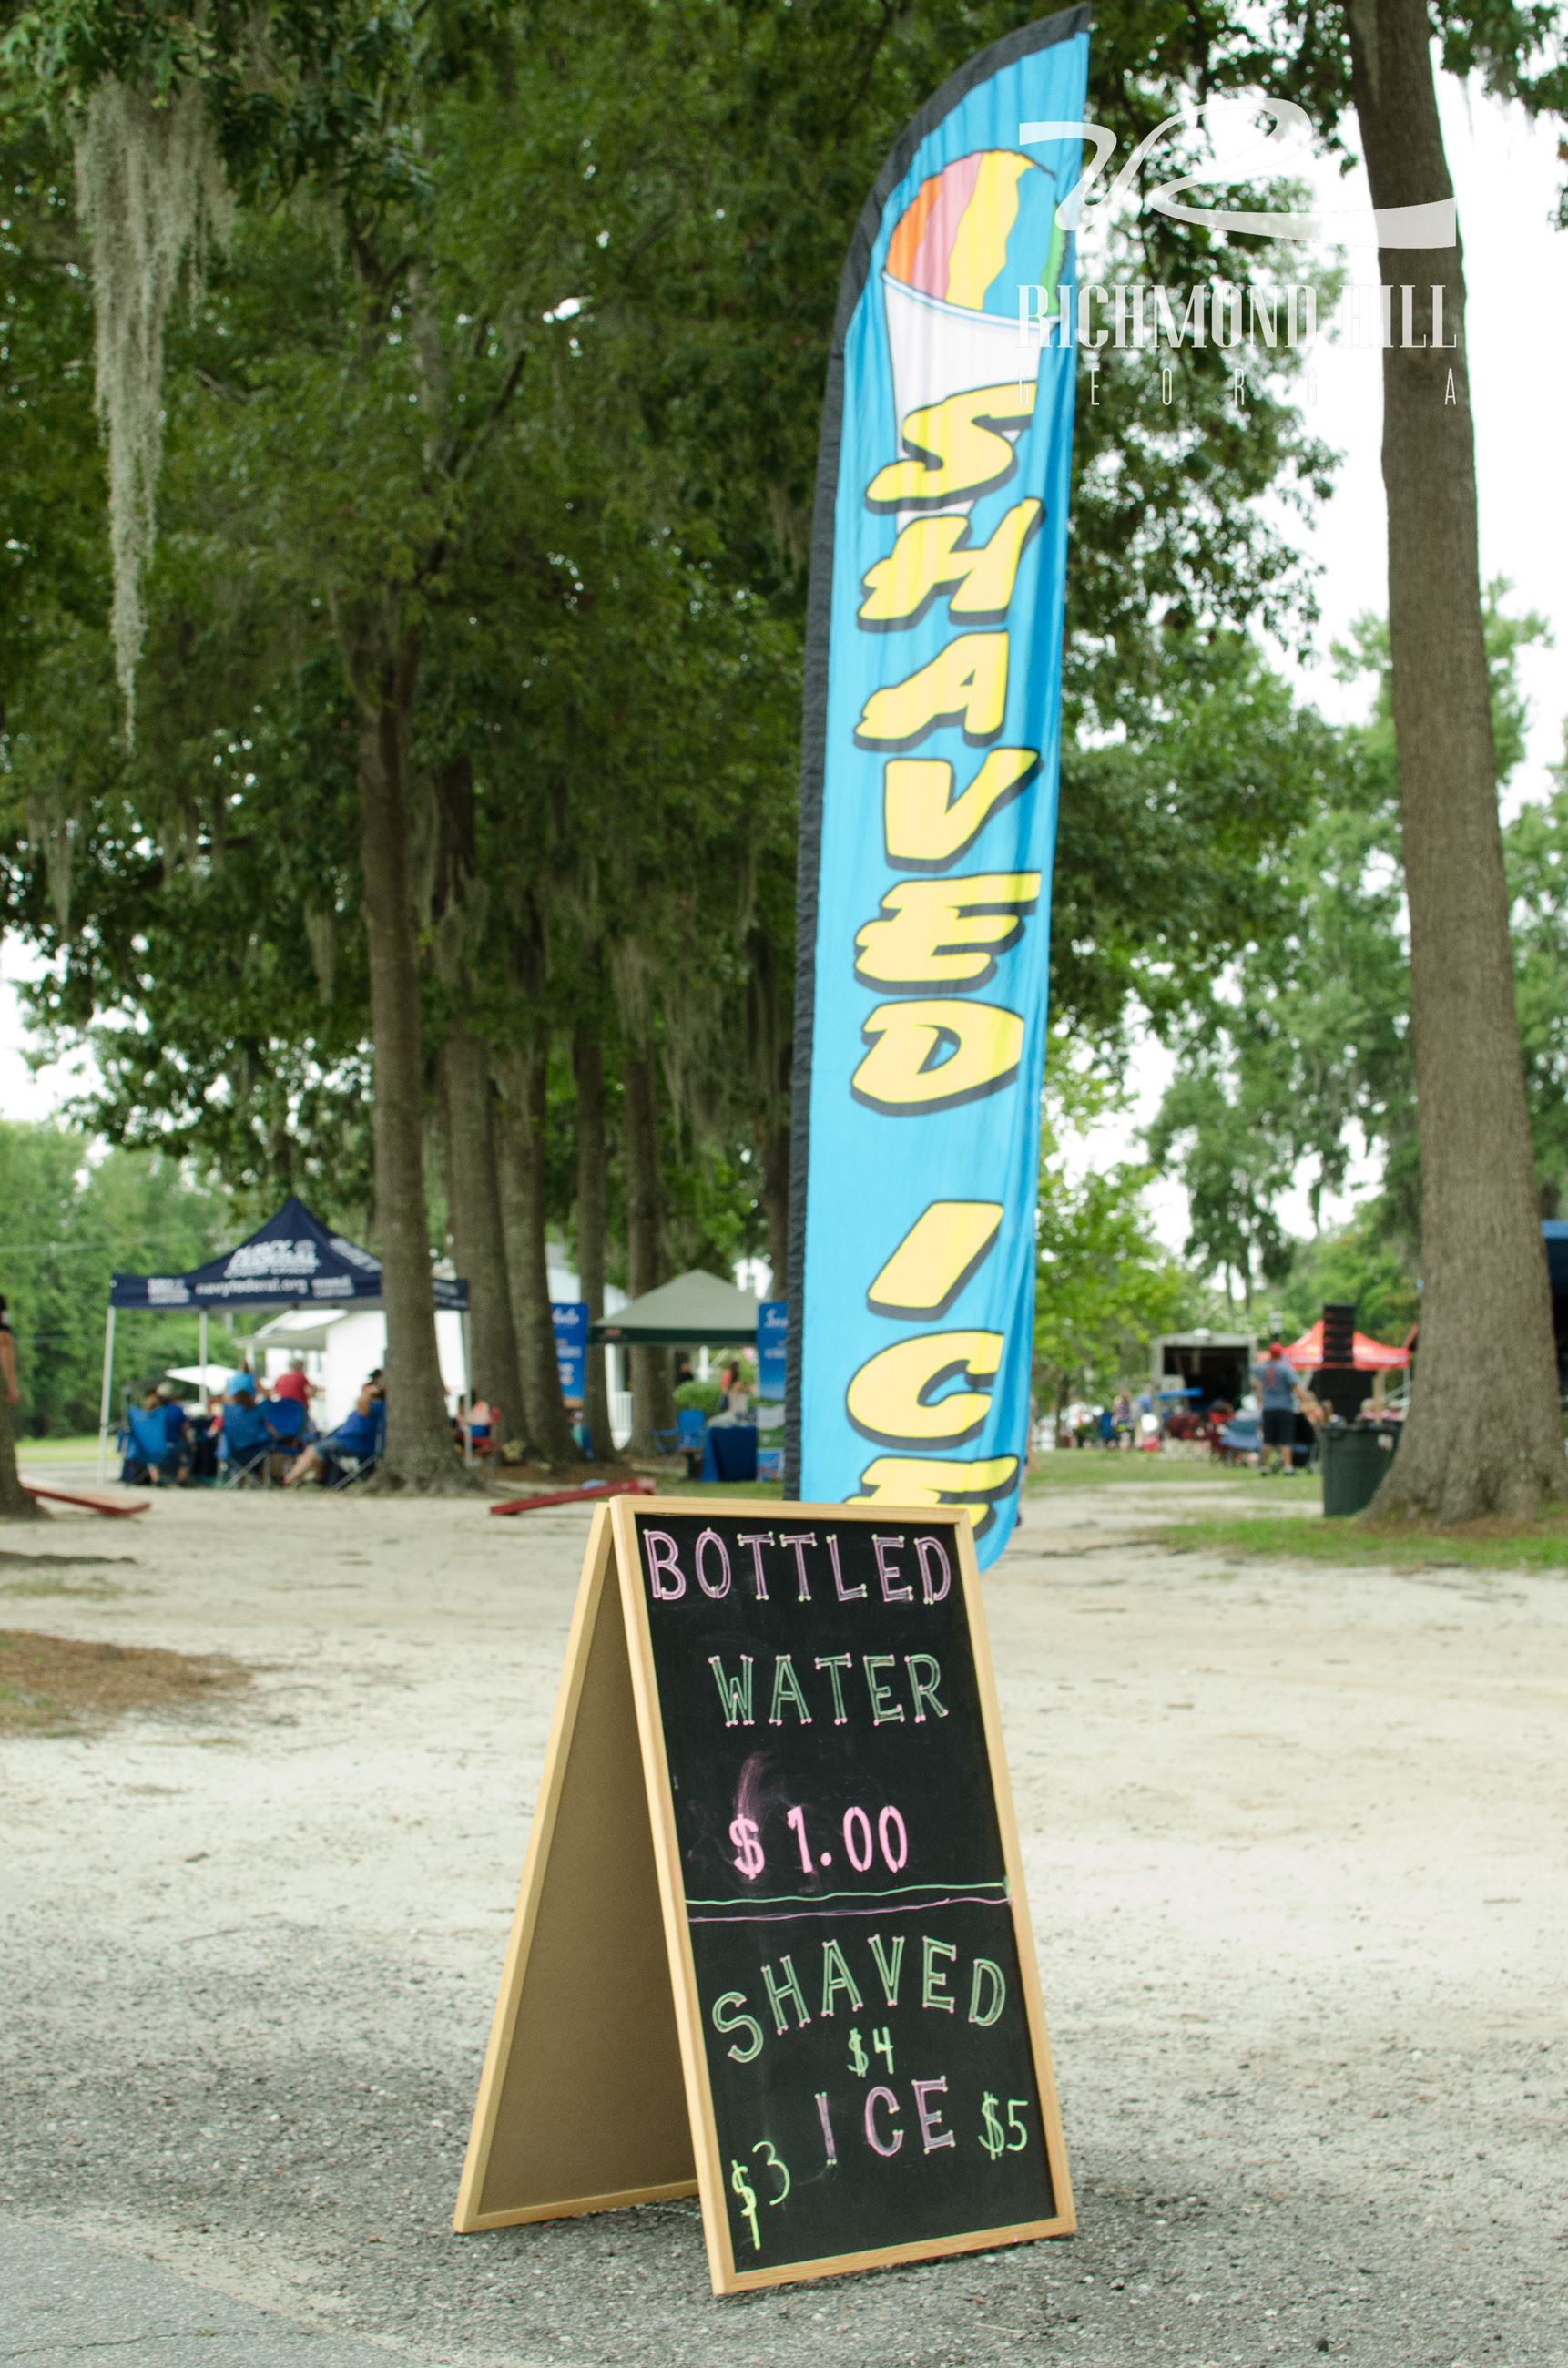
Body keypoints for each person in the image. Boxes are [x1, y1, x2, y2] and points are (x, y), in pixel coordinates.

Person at [286, 1373, 383, 1485]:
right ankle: (315, 1480)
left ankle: (288, 1480)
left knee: (314, 1450)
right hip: (346, 1441)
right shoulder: (368, 1407)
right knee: (315, 1449)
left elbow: (360, 1407)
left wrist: (369, 1393)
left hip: (354, 1444)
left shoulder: (375, 1407)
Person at [1253, 1339, 1303, 1474]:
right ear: (1281, 1354)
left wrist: (1260, 1402)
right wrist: (1304, 1401)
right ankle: (1288, 1467)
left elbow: (1258, 1386)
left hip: (1268, 1408)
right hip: (1285, 1407)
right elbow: (1295, 1387)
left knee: (1267, 1439)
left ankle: (1264, 1466)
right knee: (1285, 1438)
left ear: (1270, 1353)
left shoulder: (1261, 1369)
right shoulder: (1286, 1369)